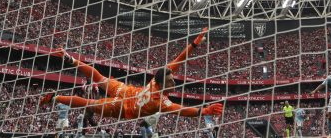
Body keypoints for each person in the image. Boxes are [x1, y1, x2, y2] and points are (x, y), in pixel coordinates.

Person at [40, 28, 223, 120]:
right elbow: (183, 110)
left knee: (100, 78)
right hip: (121, 107)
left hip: (128, 91)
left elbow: (178, 60)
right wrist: (203, 111)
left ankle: (70, 59)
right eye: (170, 80)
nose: (173, 81)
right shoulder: (162, 102)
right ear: (161, 84)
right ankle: (55, 98)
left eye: (171, 78)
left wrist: (194, 44)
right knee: (90, 103)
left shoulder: (155, 82)